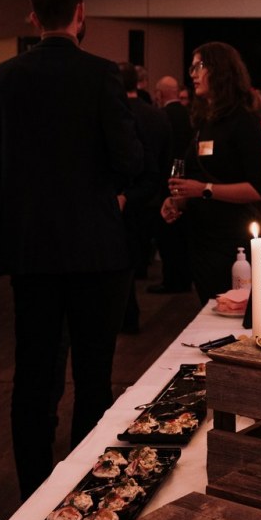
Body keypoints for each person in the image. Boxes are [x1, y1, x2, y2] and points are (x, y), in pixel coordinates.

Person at [0, 0, 143, 499]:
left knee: (33, 376)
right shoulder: (100, 75)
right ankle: (83, 490)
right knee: (93, 375)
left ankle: (33, 491)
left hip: (30, 250)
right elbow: (129, 159)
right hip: (95, 247)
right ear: (80, 14)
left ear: (33, 16)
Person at [161, 42, 261, 306]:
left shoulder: (243, 120)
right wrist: (178, 201)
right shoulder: (204, 122)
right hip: (202, 238)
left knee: (232, 313)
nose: (193, 74)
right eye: (192, 68)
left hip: (233, 241)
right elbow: (200, 176)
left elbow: (258, 188)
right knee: (211, 309)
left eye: (199, 66)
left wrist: (203, 189)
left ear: (220, 70)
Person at [118, 62, 171, 331]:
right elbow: (165, 157)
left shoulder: (121, 115)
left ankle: (126, 316)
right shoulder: (157, 115)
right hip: (154, 194)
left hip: (125, 198)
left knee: (123, 260)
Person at [149, 74, 194, 294]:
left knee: (167, 235)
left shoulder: (160, 116)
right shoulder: (189, 114)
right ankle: (184, 278)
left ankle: (171, 280)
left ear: (159, 94)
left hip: (166, 179)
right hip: (189, 181)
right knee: (183, 234)